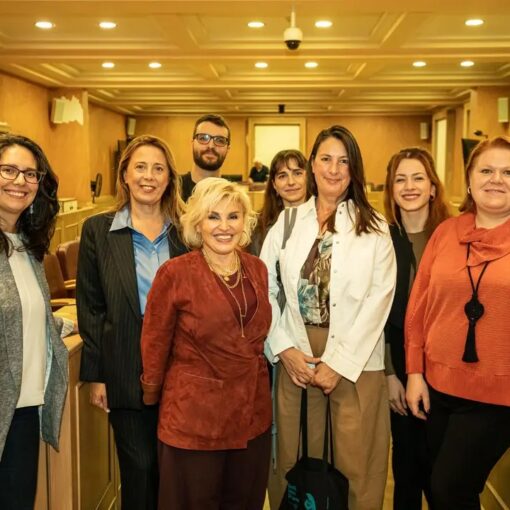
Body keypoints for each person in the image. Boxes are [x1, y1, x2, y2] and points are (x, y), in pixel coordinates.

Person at [261, 125, 396, 509]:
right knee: (294, 458)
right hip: (297, 358)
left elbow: (379, 299)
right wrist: (283, 348)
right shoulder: (288, 222)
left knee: (355, 464)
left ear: (354, 169)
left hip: (355, 360)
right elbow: (262, 287)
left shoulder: (375, 227)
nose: (334, 169)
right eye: (326, 159)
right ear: (312, 165)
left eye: (343, 161)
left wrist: (338, 363)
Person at [140, 178, 272, 510]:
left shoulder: (257, 268)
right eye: (213, 217)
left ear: (244, 222)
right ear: (198, 223)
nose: (224, 227)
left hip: (251, 416)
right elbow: (154, 341)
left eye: (233, 216)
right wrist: (151, 391)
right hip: (194, 421)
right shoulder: (175, 273)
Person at [77, 135, 187, 510]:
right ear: (124, 174)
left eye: (158, 169)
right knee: (139, 471)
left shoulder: (186, 232)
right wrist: (96, 375)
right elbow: (91, 306)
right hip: (124, 370)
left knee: (174, 473)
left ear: (169, 178)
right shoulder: (98, 230)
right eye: (140, 167)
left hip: (181, 372)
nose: (148, 177)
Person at [405, 136, 510, 510]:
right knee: (440, 489)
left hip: (496, 396)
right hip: (438, 387)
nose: (496, 179)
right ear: (469, 180)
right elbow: (418, 308)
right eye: (486, 170)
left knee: (450, 488)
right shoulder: (446, 232)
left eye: (508, 172)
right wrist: (415, 373)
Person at [0, 134, 72, 509]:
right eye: (8, 170)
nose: (20, 181)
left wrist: (63, 326)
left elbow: (24, 317)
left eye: (30, 174)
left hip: (24, 410)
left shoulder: (27, 246)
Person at [383, 147, 449, 510]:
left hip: (446, 367)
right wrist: (390, 374)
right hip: (397, 362)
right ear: (391, 189)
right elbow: (375, 314)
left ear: (433, 187)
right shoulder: (380, 240)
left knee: (443, 475)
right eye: (400, 179)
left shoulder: (453, 236)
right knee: (407, 470)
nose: (409, 187)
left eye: (418, 178)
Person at [249, 149, 310, 256]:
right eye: (282, 176)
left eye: (297, 173)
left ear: (308, 178)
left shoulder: (324, 222)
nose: (291, 182)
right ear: (274, 184)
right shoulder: (258, 227)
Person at [181, 114, 231, 201]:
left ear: (228, 149)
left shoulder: (232, 195)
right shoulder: (172, 189)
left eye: (220, 140)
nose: (211, 146)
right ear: (192, 144)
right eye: (203, 138)